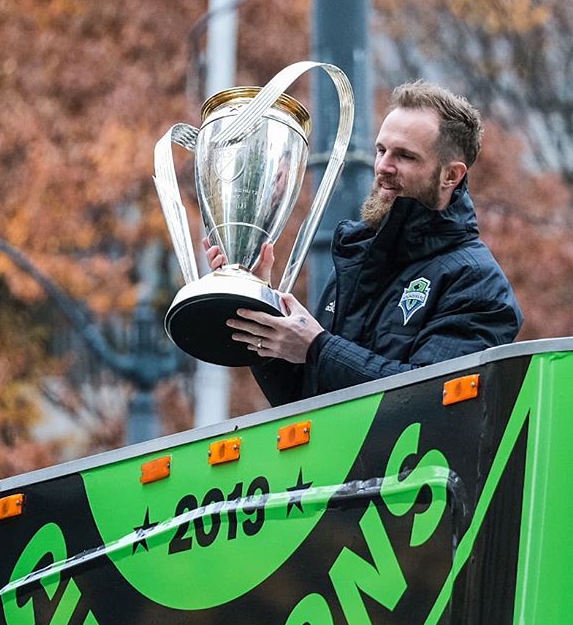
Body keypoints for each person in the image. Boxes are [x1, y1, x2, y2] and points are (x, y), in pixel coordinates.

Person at [205, 80, 523, 406]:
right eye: (381, 150)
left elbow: (432, 400)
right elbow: (300, 404)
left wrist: (318, 348)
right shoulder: (358, 256)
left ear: (451, 176)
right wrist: (259, 299)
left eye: (405, 156)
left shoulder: (477, 282)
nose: (383, 167)